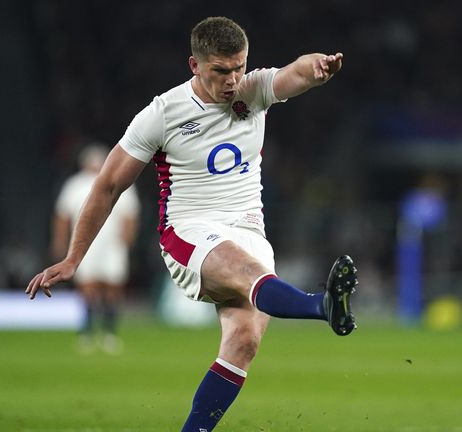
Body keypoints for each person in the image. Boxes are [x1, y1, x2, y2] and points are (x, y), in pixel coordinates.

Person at [26, 16, 358, 431]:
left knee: (244, 342)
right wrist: (74, 258)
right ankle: (321, 306)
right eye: (221, 70)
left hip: (248, 230)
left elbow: (295, 72)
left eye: (239, 67)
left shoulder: (253, 90)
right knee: (246, 272)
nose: (233, 79)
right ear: (194, 65)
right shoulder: (162, 114)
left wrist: (317, 69)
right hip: (188, 232)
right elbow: (108, 185)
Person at [52, 144, 140, 354]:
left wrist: (127, 239)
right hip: (85, 244)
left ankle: (108, 333)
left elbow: (130, 214)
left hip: (112, 243)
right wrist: (60, 241)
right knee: (88, 287)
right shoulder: (75, 185)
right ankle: (88, 333)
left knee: (112, 286)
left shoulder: (118, 180)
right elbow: (63, 216)